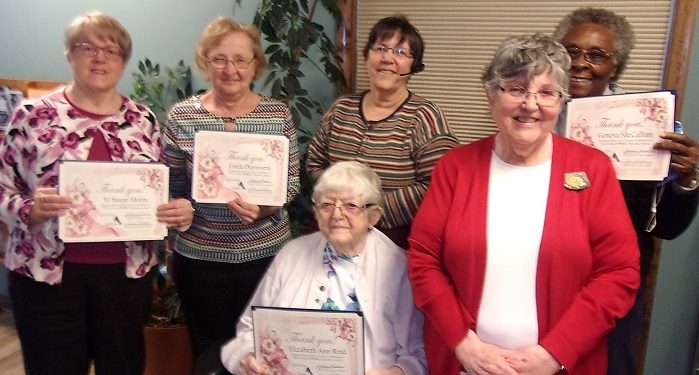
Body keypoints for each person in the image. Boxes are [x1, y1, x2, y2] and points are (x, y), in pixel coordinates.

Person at [408, 33, 640, 374]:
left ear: (560, 102)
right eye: (516, 89)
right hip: (466, 364)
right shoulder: (455, 167)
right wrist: (463, 343)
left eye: (546, 92)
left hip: (562, 366)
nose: (530, 105)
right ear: (492, 96)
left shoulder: (592, 169)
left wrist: (555, 353)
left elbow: (619, 273)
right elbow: (423, 260)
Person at [0, 11, 194, 375]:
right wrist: (30, 209)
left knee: (122, 367)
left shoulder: (143, 120)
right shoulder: (32, 115)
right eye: (87, 47)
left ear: (123, 60)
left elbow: (159, 191)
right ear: (70, 56)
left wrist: (177, 211)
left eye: (112, 50)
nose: (100, 57)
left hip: (124, 277)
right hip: (45, 276)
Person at [552, 8, 699, 374]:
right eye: (571, 51)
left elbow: (665, 226)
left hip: (611, 289)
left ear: (616, 66)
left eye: (596, 55)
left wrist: (686, 179)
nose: (580, 63)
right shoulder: (532, 113)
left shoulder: (643, 124)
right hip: (540, 278)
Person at [163, 16, 300, 358]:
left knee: (265, 350)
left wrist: (266, 206)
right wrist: (178, 206)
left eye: (241, 59)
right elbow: (171, 187)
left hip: (265, 257)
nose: (230, 69)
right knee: (209, 351)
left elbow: (292, 183)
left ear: (256, 65)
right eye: (219, 59)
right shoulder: (182, 117)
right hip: (201, 259)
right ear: (205, 63)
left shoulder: (277, 115)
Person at [220, 161, 427, 375]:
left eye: (351, 205)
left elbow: (420, 353)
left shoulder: (399, 267)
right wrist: (245, 357)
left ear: (373, 216)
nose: (336, 215)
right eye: (327, 205)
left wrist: (394, 372)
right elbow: (250, 328)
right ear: (317, 213)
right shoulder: (292, 254)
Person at [305, 15, 459, 249]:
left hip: (393, 240)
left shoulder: (424, 116)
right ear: (367, 56)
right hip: (334, 231)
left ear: (413, 66)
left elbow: (437, 184)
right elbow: (315, 163)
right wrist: (340, 206)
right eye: (380, 48)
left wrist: (367, 211)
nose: (387, 58)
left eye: (400, 52)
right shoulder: (341, 109)